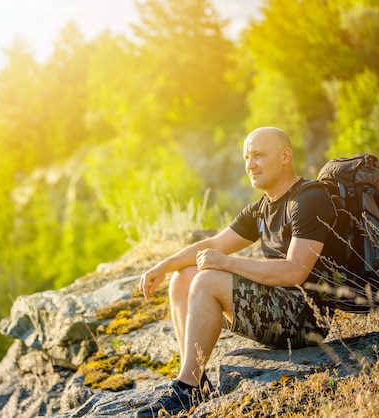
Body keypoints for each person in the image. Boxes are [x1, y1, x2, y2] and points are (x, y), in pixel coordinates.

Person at [135, 127, 337, 417]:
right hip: (277, 307)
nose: (250, 164)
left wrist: (226, 263)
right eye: (246, 157)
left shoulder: (308, 199)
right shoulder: (261, 209)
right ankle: (194, 383)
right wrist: (164, 266)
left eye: (258, 155)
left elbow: (295, 272)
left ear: (285, 156)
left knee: (207, 280)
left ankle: (186, 389)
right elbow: (215, 243)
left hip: (305, 322)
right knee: (184, 277)